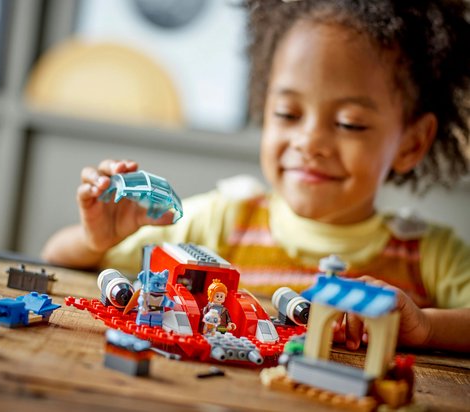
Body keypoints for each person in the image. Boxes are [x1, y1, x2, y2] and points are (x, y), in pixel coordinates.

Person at [42, 0, 470, 352]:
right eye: (288, 113)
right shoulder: (223, 219)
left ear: (412, 142)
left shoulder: (429, 255)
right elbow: (59, 257)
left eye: (349, 123)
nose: (310, 142)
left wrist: (426, 327)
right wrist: (96, 240)